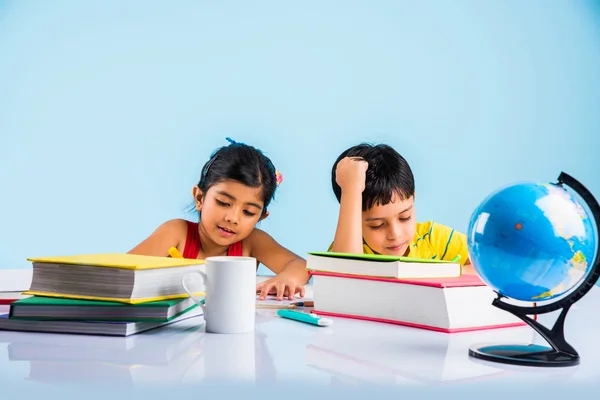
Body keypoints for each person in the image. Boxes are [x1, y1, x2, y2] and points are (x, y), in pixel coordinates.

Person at [128, 137, 310, 299]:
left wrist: (286, 279)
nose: (232, 218)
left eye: (248, 212)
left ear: (260, 218)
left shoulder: (252, 242)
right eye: (223, 202)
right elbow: (121, 271)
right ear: (200, 198)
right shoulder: (176, 233)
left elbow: (300, 264)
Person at [329, 142, 476, 274]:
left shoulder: (432, 238)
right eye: (377, 225)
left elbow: (491, 264)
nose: (395, 234)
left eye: (405, 217)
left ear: (413, 199)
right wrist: (351, 189)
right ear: (352, 216)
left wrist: (443, 272)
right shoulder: (346, 245)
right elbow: (345, 276)